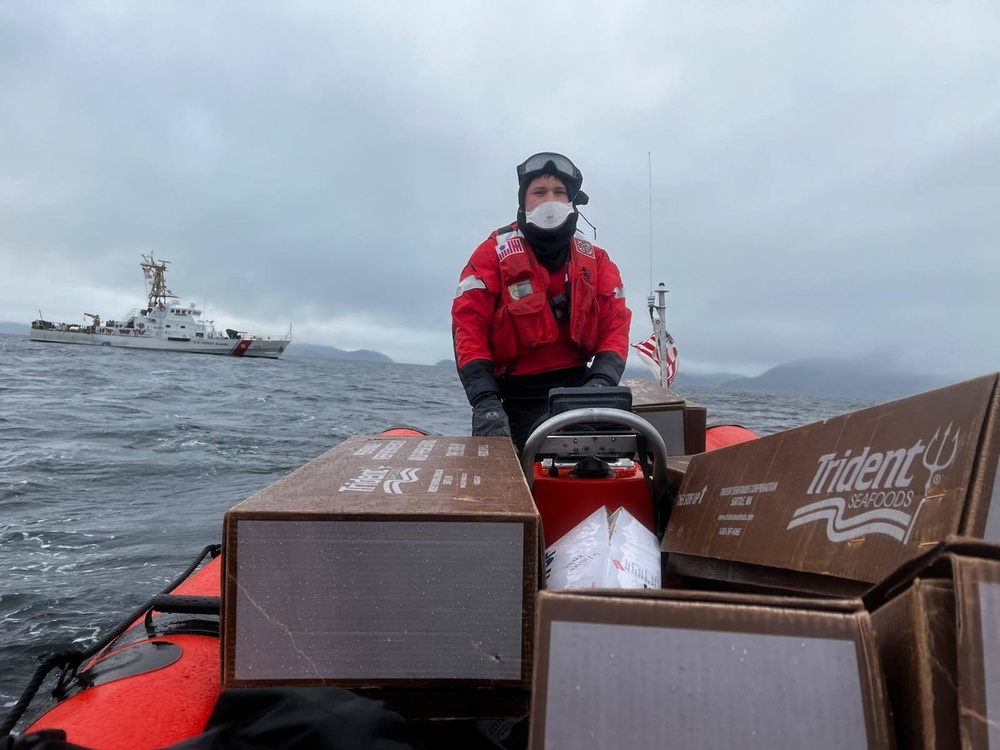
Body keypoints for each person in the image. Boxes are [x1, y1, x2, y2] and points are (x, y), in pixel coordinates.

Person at [451, 152, 632, 451]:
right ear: (523, 201)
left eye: (559, 192)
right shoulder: (490, 255)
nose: (550, 200)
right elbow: (467, 327)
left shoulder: (596, 260)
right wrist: (484, 401)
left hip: (579, 393)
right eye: (539, 192)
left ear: (572, 202)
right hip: (512, 398)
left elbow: (616, 325)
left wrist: (602, 382)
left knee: (622, 458)